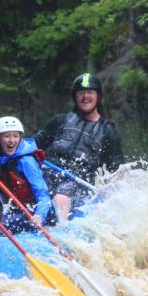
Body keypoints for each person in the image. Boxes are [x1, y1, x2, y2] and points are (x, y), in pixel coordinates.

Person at [34, 73, 124, 222]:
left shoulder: (109, 132)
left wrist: (111, 193)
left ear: (98, 96)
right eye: (81, 93)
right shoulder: (59, 120)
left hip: (79, 183)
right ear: (75, 97)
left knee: (61, 197)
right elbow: (34, 144)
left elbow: (116, 171)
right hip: (48, 173)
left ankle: (59, 228)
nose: (85, 97)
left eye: (90, 92)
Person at [0, 116, 54, 231]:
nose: (12, 140)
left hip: (37, 213)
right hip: (15, 211)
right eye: (7, 136)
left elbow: (43, 195)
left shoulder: (27, 161)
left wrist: (39, 215)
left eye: (15, 136)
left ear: (20, 137)